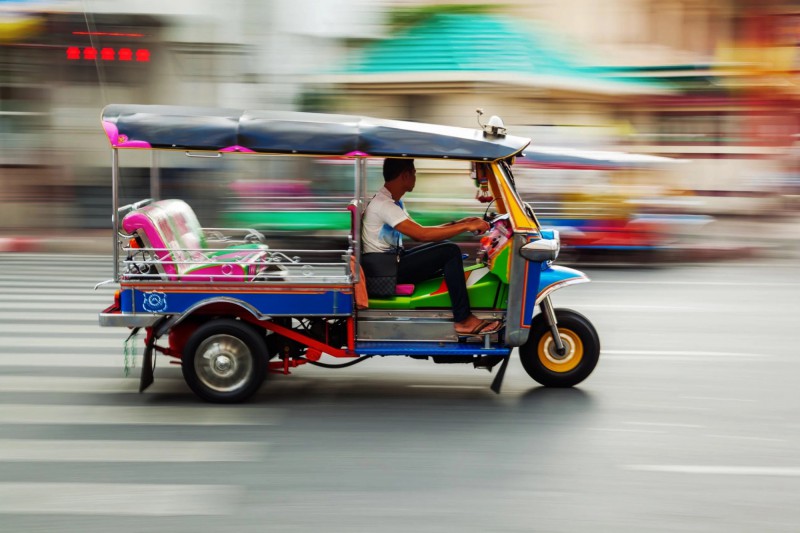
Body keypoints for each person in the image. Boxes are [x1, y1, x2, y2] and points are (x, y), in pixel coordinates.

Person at [361, 158, 502, 336]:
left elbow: (421, 231)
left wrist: (462, 222)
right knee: (449, 251)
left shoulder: (392, 202)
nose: (414, 177)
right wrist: (465, 227)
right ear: (405, 175)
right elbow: (421, 235)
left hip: (390, 263)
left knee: (445, 247)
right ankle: (463, 319)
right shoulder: (385, 205)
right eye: (414, 173)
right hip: (386, 271)